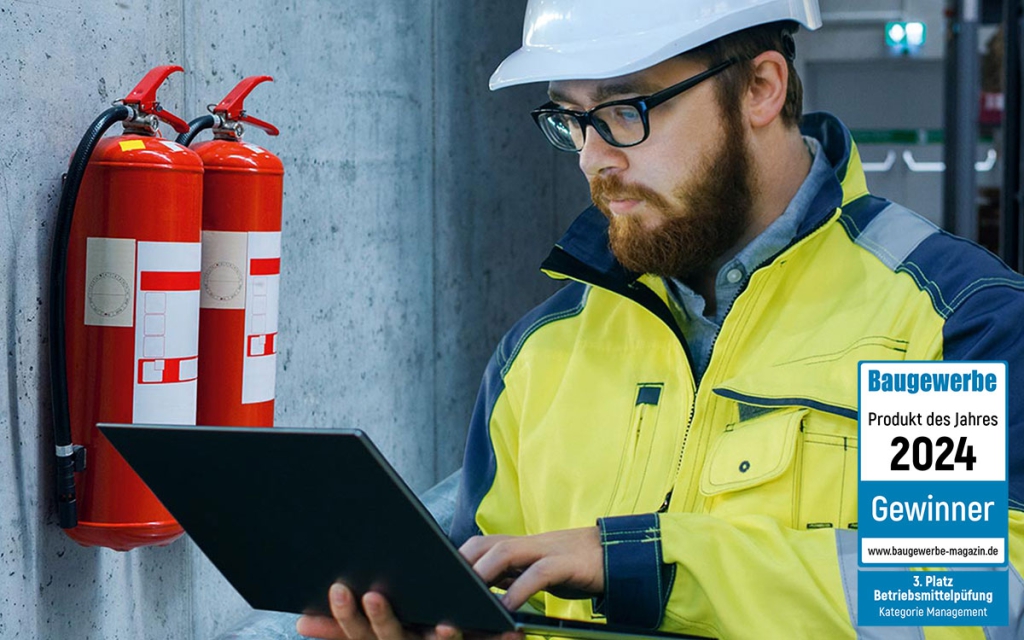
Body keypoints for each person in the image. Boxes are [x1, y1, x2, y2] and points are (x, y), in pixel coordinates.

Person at [298, 1, 1024, 638]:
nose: (593, 159)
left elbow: (962, 598)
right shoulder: (539, 358)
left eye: (625, 110)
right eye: (572, 118)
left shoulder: (941, 324)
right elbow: (492, 599)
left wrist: (654, 567)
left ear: (762, 88)